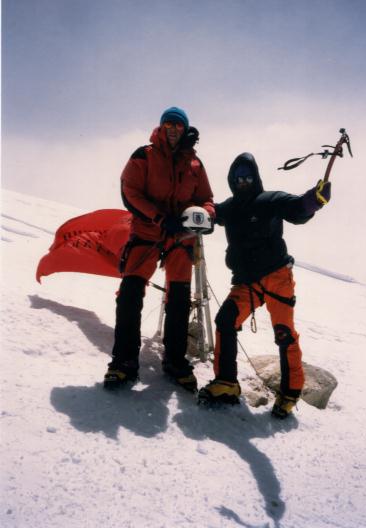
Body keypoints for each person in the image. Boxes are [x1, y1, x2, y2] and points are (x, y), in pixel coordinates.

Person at [198, 152, 331, 418]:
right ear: (231, 180)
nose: (243, 181)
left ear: (255, 177)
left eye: (247, 176)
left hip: (277, 277)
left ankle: (290, 394)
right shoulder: (230, 207)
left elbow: (296, 209)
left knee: (284, 333)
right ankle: (226, 382)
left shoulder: (270, 200)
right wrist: (196, 213)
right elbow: (211, 215)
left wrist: (313, 201)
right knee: (226, 320)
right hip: (246, 282)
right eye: (238, 177)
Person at [104, 107, 214, 392]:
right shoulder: (145, 155)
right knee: (130, 293)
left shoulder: (195, 165)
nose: (174, 129)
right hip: (148, 232)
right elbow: (130, 191)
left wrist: (204, 215)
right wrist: (159, 217)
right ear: (161, 127)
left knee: (179, 298)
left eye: (178, 125)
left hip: (181, 237)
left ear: (185, 129)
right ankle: (124, 361)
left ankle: (176, 360)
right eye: (169, 124)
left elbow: (207, 198)